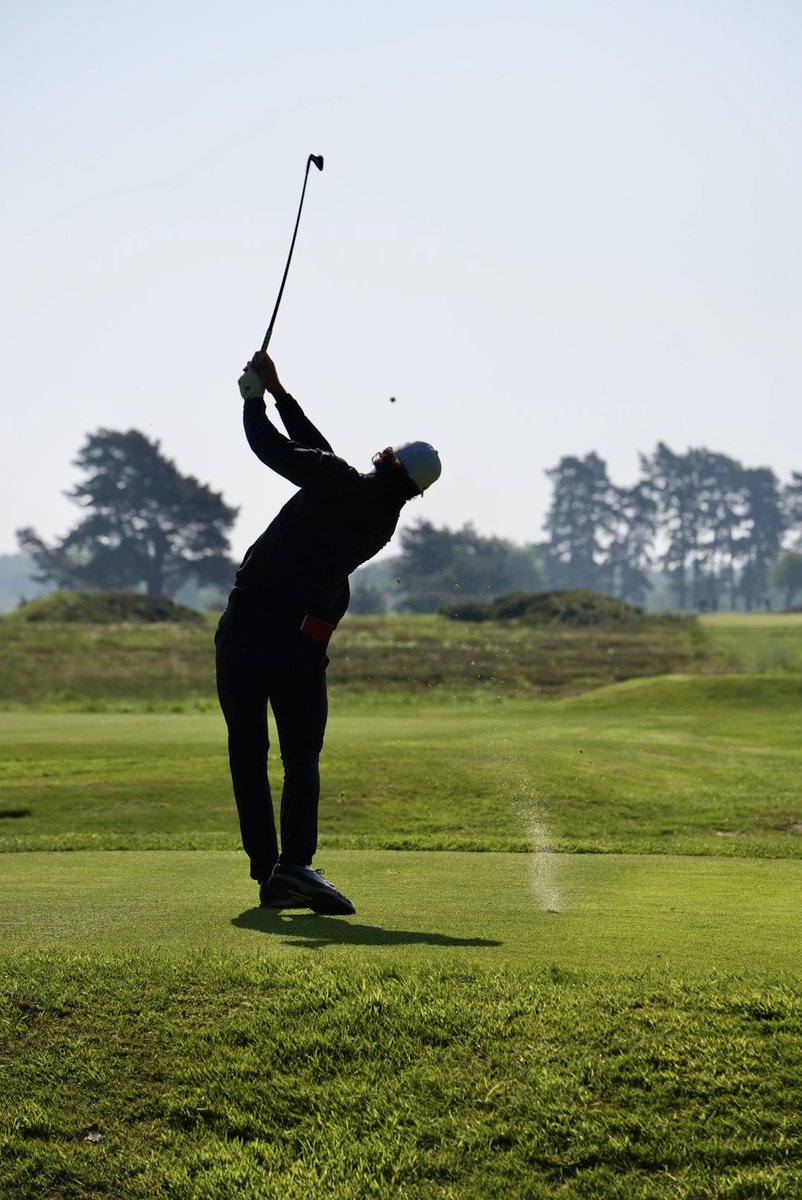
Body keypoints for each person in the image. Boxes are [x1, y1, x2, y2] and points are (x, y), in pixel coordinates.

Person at [215, 351, 442, 916]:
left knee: (248, 752)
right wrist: (279, 392)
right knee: (302, 758)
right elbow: (320, 455)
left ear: (384, 457)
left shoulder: (340, 482)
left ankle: (269, 871)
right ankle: (293, 865)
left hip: (248, 628)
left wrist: (251, 401)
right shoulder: (380, 523)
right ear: (413, 493)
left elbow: (274, 450)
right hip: (298, 644)